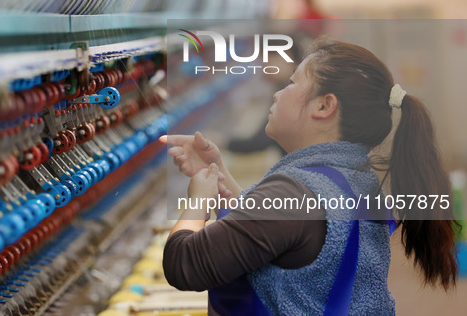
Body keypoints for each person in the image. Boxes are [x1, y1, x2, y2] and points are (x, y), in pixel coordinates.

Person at [160, 38, 458, 315]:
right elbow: (277, 234)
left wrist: (198, 200)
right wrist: (218, 174)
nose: (277, 92)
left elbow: (184, 263)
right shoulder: (353, 180)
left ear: (324, 106)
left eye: (291, 83)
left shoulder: (294, 193)